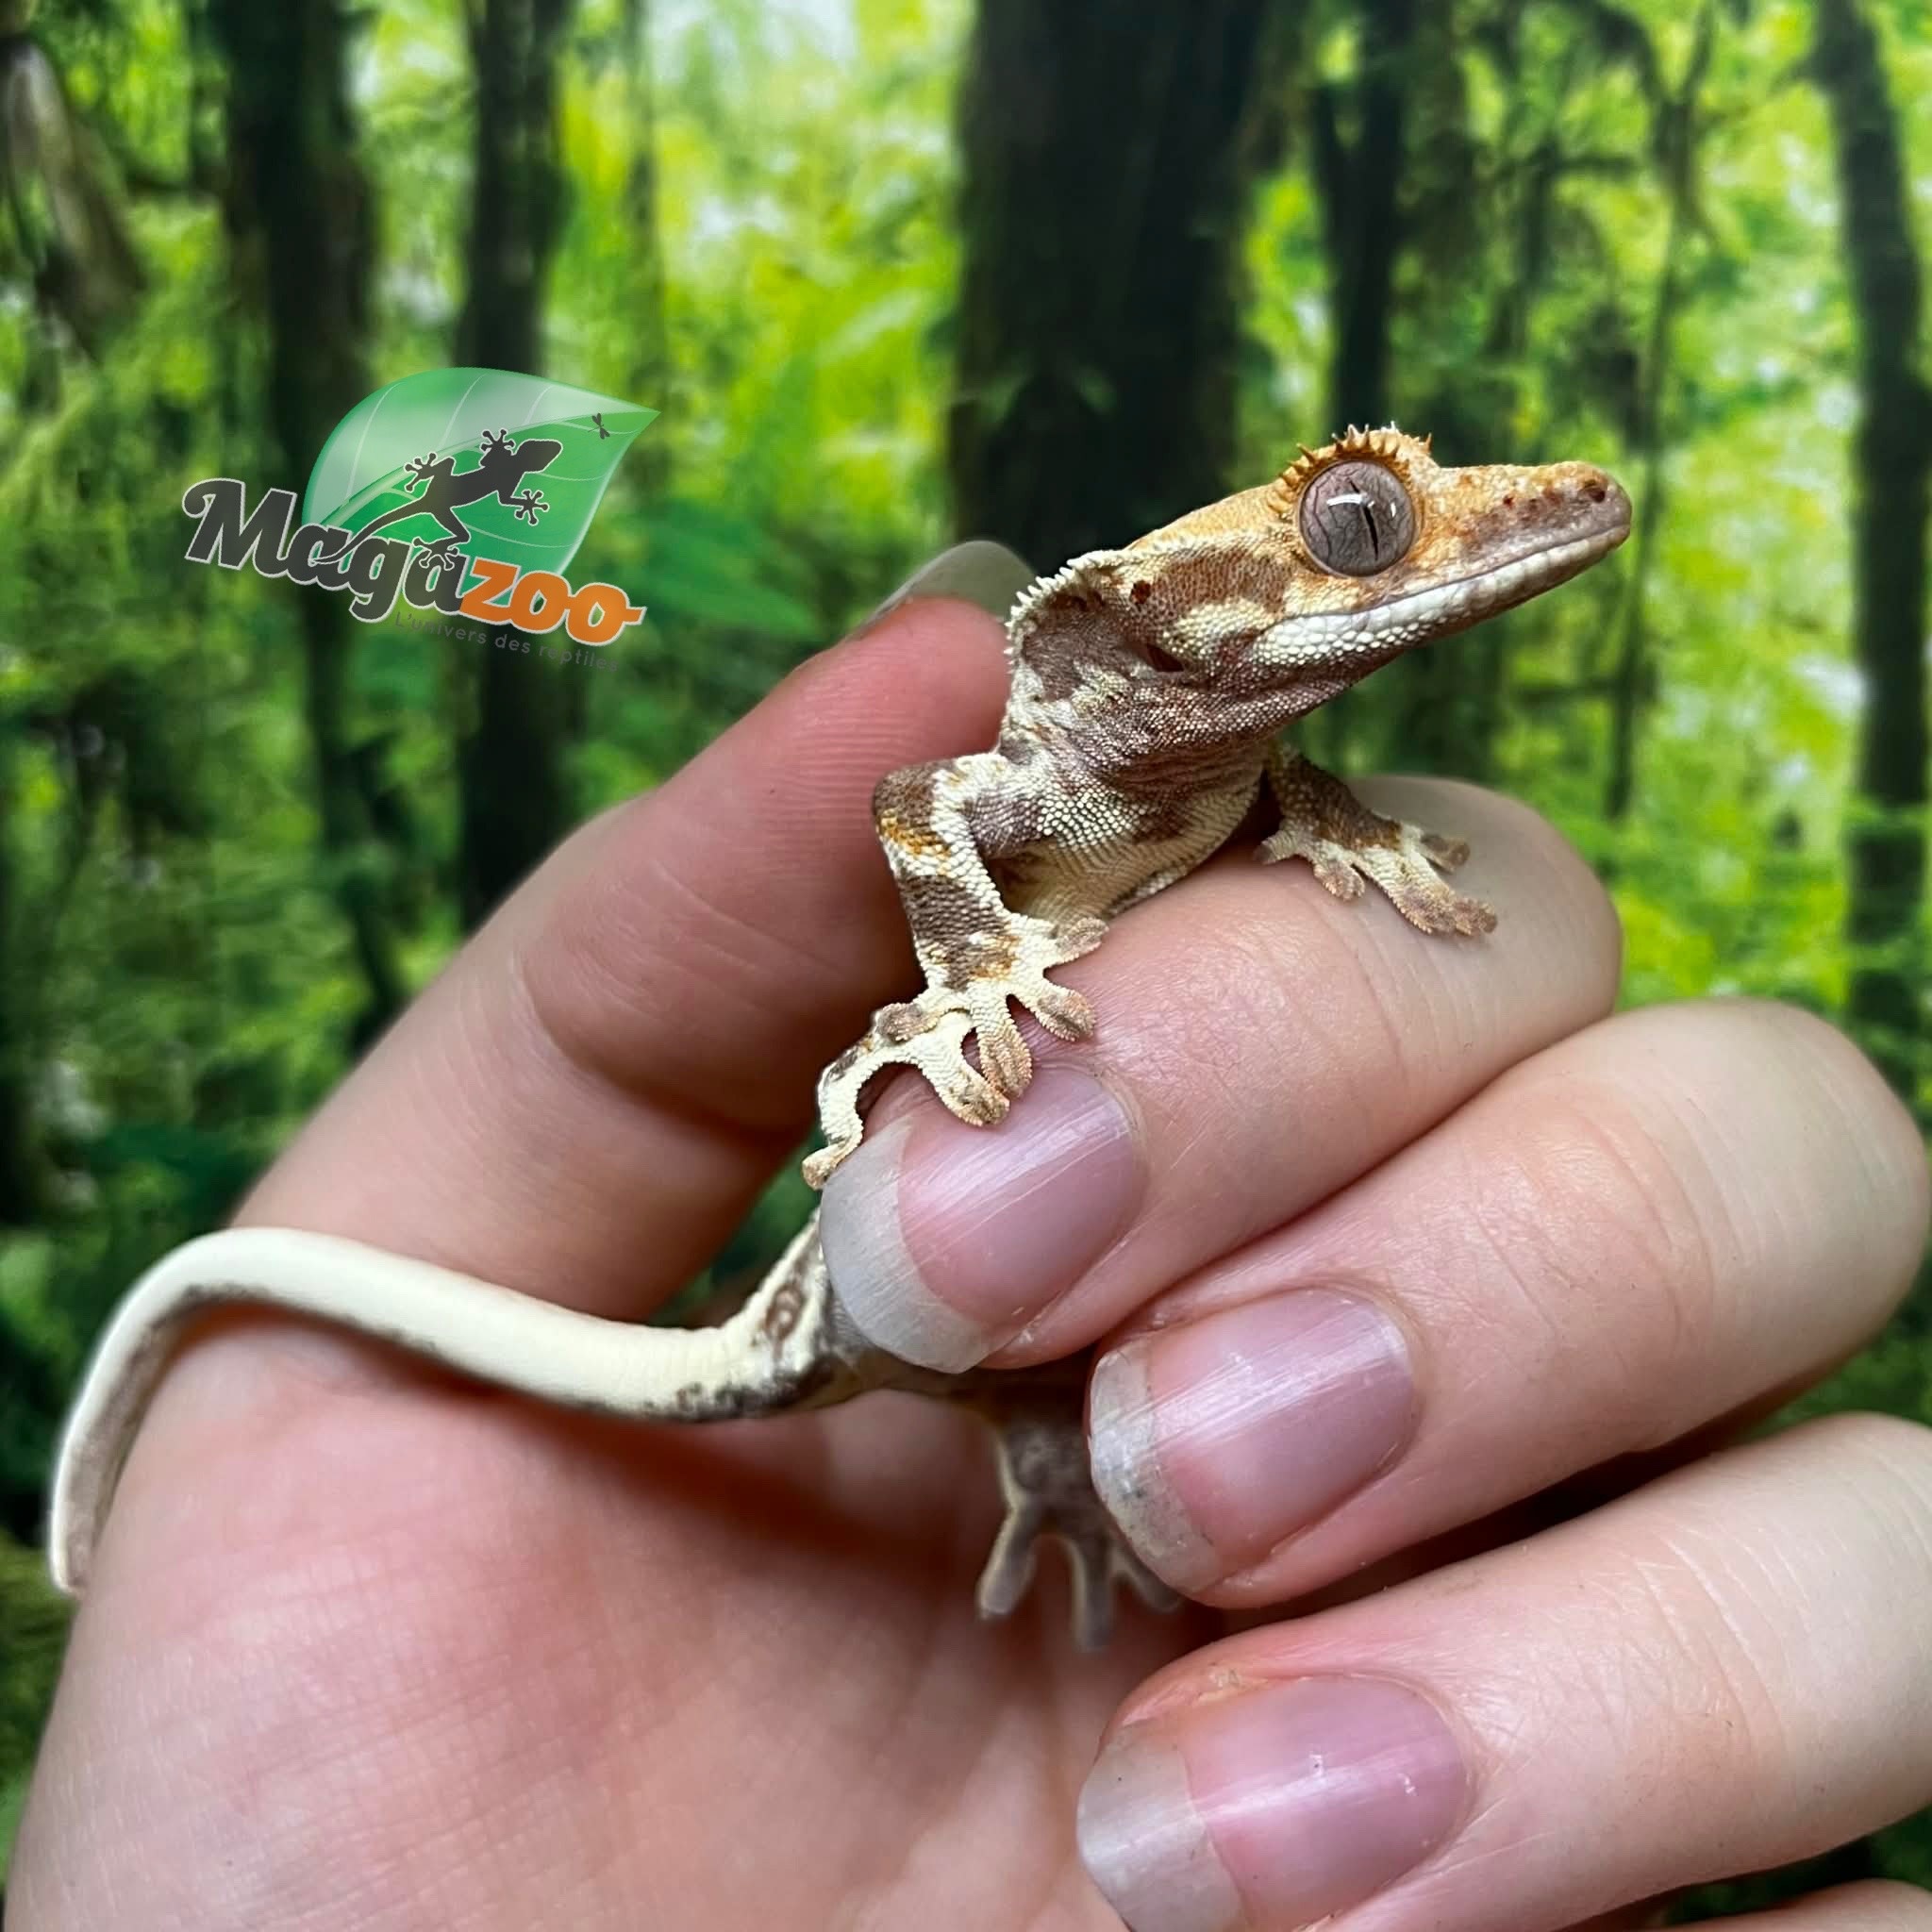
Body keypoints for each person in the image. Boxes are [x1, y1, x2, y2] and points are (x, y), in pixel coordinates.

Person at [12, 554, 1932, 1932]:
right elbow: (914, 801)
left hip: (995, 1394)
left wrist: (1345, 833)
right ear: (1165, 604)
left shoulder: (1246, 777)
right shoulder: (1036, 759)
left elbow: (1258, 802)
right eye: (1358, 525)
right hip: (847, 1288)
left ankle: (1052, 1436)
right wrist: (969, 967)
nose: (1414, 557)